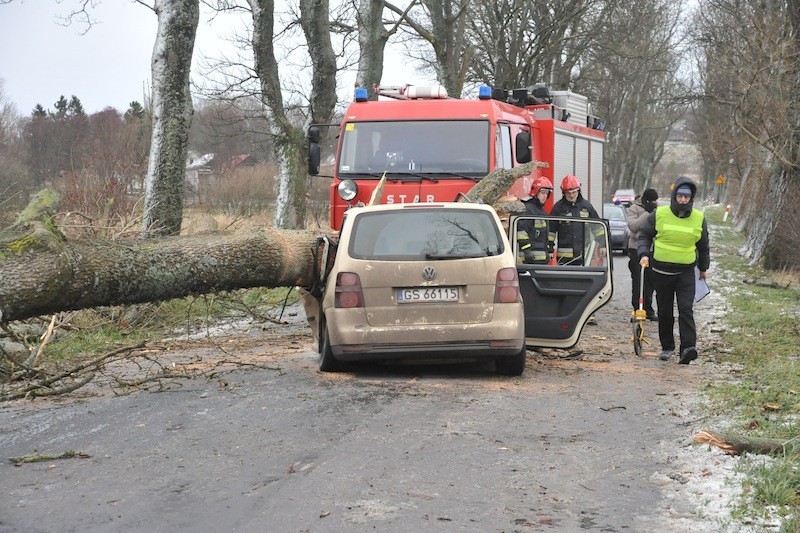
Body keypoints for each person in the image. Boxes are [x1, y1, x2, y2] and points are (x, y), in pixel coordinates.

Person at [638, 177, 710, 364]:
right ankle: (667, 347)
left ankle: (688, 348)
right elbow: (645, 235)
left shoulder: (699, 218)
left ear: (691, 198)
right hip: (661, 272)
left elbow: (703, 245)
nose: (683, 200)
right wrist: (644, 254)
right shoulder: (659, 213)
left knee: (686, 309)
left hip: (686, 272)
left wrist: (703, 267)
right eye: (679, 196)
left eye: (686, 197)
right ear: (674, 196)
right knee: (665, 311)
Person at [551, 174, 605, 325]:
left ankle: (588, 314)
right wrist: (549, 249)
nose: (571, 195)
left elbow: (598, 227)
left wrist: (602, 244)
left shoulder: (586, 207)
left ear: (578, 190)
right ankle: (567, 313)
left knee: (585, 285)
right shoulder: (558, 208)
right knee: (566, 285)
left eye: (574, 191)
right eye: (569, 192)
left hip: (584, 255)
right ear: (564, 192)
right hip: (565, 257)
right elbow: (550, 231)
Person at [627, 188, 659, 321]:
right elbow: (633, 226)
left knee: (650, 281)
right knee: (638, 281)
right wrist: (647, 214)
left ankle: (648, 309)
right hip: (636, 249)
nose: (655, 203)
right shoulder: (634, 208)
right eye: (652, 201)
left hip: (652, 250)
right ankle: (637, 309)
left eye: (656, 201)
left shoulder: (657, 210)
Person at [517, 176, 555, 263]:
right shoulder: (527, 209)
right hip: (528, 259)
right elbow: (521, 232)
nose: (545, 196)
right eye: (542, 193)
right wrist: (527, 251)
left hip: (541, 260)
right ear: (535, 192)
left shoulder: (542, 211)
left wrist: (548, 251)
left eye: (547, 193)